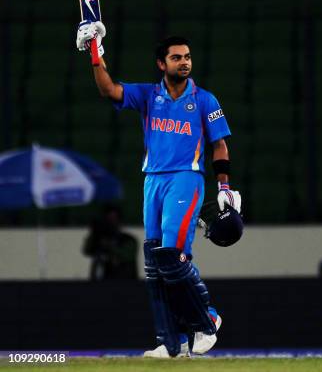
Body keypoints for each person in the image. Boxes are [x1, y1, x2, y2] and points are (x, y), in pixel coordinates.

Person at [75, 25, 242, 358]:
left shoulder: (205, 99)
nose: (184, 62)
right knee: (153, 262)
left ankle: (207, 319)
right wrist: (95, 53)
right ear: (161, 64)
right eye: (176, 58)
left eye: (187, 57)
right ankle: (171, 343)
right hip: (153, 179)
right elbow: (109, 90)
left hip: (186, 177)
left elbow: (219, 145)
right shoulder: (149, 95)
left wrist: (224, 186)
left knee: (171, 253)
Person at [83, 204, 138, 281]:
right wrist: (95, 234)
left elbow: (127, 255)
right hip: (106, 283)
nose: (111, 223)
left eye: (114, 219)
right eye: (108, 220)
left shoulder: (128, 240)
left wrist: (109, 246)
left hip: (127, 283)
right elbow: (87, 250)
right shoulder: (100, 239)